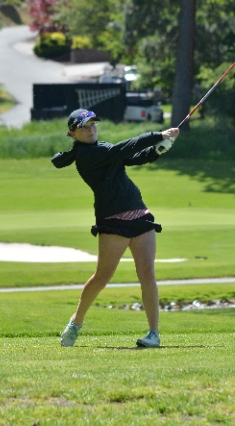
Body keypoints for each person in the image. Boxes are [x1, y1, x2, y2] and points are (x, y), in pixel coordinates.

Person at [51, 109, 180, 348]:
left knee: (147, 274)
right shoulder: (87, 156)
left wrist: (158, 149)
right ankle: (75, 323)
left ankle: (153, 333)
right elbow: (123, 149)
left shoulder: (103, 149)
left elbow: (134, 157)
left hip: (140, 215)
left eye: (93, 126)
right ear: (72, 133)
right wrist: (158, 135)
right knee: (102, 277)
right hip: (113, 220)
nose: (91, 130)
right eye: (85, 127)